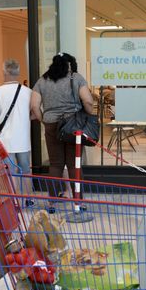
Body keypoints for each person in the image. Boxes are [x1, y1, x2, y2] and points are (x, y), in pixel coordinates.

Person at [30, 52, 94, 197]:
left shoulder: (42, 81)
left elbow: (34, 106)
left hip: (51, 124)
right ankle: (78, 200)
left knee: (55, 164)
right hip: (73, 125)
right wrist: (88, 115)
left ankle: (53, 200)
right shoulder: (76, 78)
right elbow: (88, 101)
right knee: (73, 164)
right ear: (69, 64)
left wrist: (44, 120)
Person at [0, 59, 33, 190]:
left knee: (10, 171)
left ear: (4, 72)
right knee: (25, 170)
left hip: (6, 140)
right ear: (18, 73)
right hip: (24, 139)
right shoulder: (28, 91)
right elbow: (36, 112)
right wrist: (26, 118)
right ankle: (27, 198)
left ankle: (14, 200)